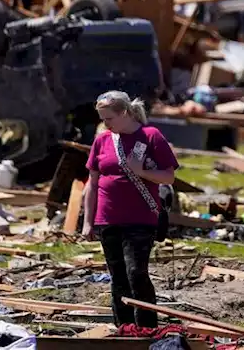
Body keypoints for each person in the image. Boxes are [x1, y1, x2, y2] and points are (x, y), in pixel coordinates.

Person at [82, 90, 178, 328]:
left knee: (136, 273)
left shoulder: (150, 136)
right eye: (102, 119)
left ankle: (147, 327)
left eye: (109, 119)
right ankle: (124, 328)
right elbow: (92, 184)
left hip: (140, 219)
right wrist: (88, 221)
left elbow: (169, 177)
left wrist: (142, 171)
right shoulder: (102, 140)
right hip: (107, 219)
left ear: (124, 113)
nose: (105, 124)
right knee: (118, 278)